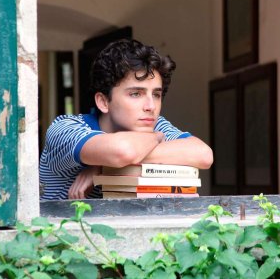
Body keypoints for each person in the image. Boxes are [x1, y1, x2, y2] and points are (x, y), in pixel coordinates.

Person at [39, 39, 213, 200]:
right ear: (104, 101)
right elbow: (123, 151)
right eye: (136, 94)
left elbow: (203, 155)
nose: (151, 106)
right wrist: (157, 137)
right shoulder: (65, 128)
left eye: (156, 94)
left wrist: (101, 167)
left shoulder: (153, 123)